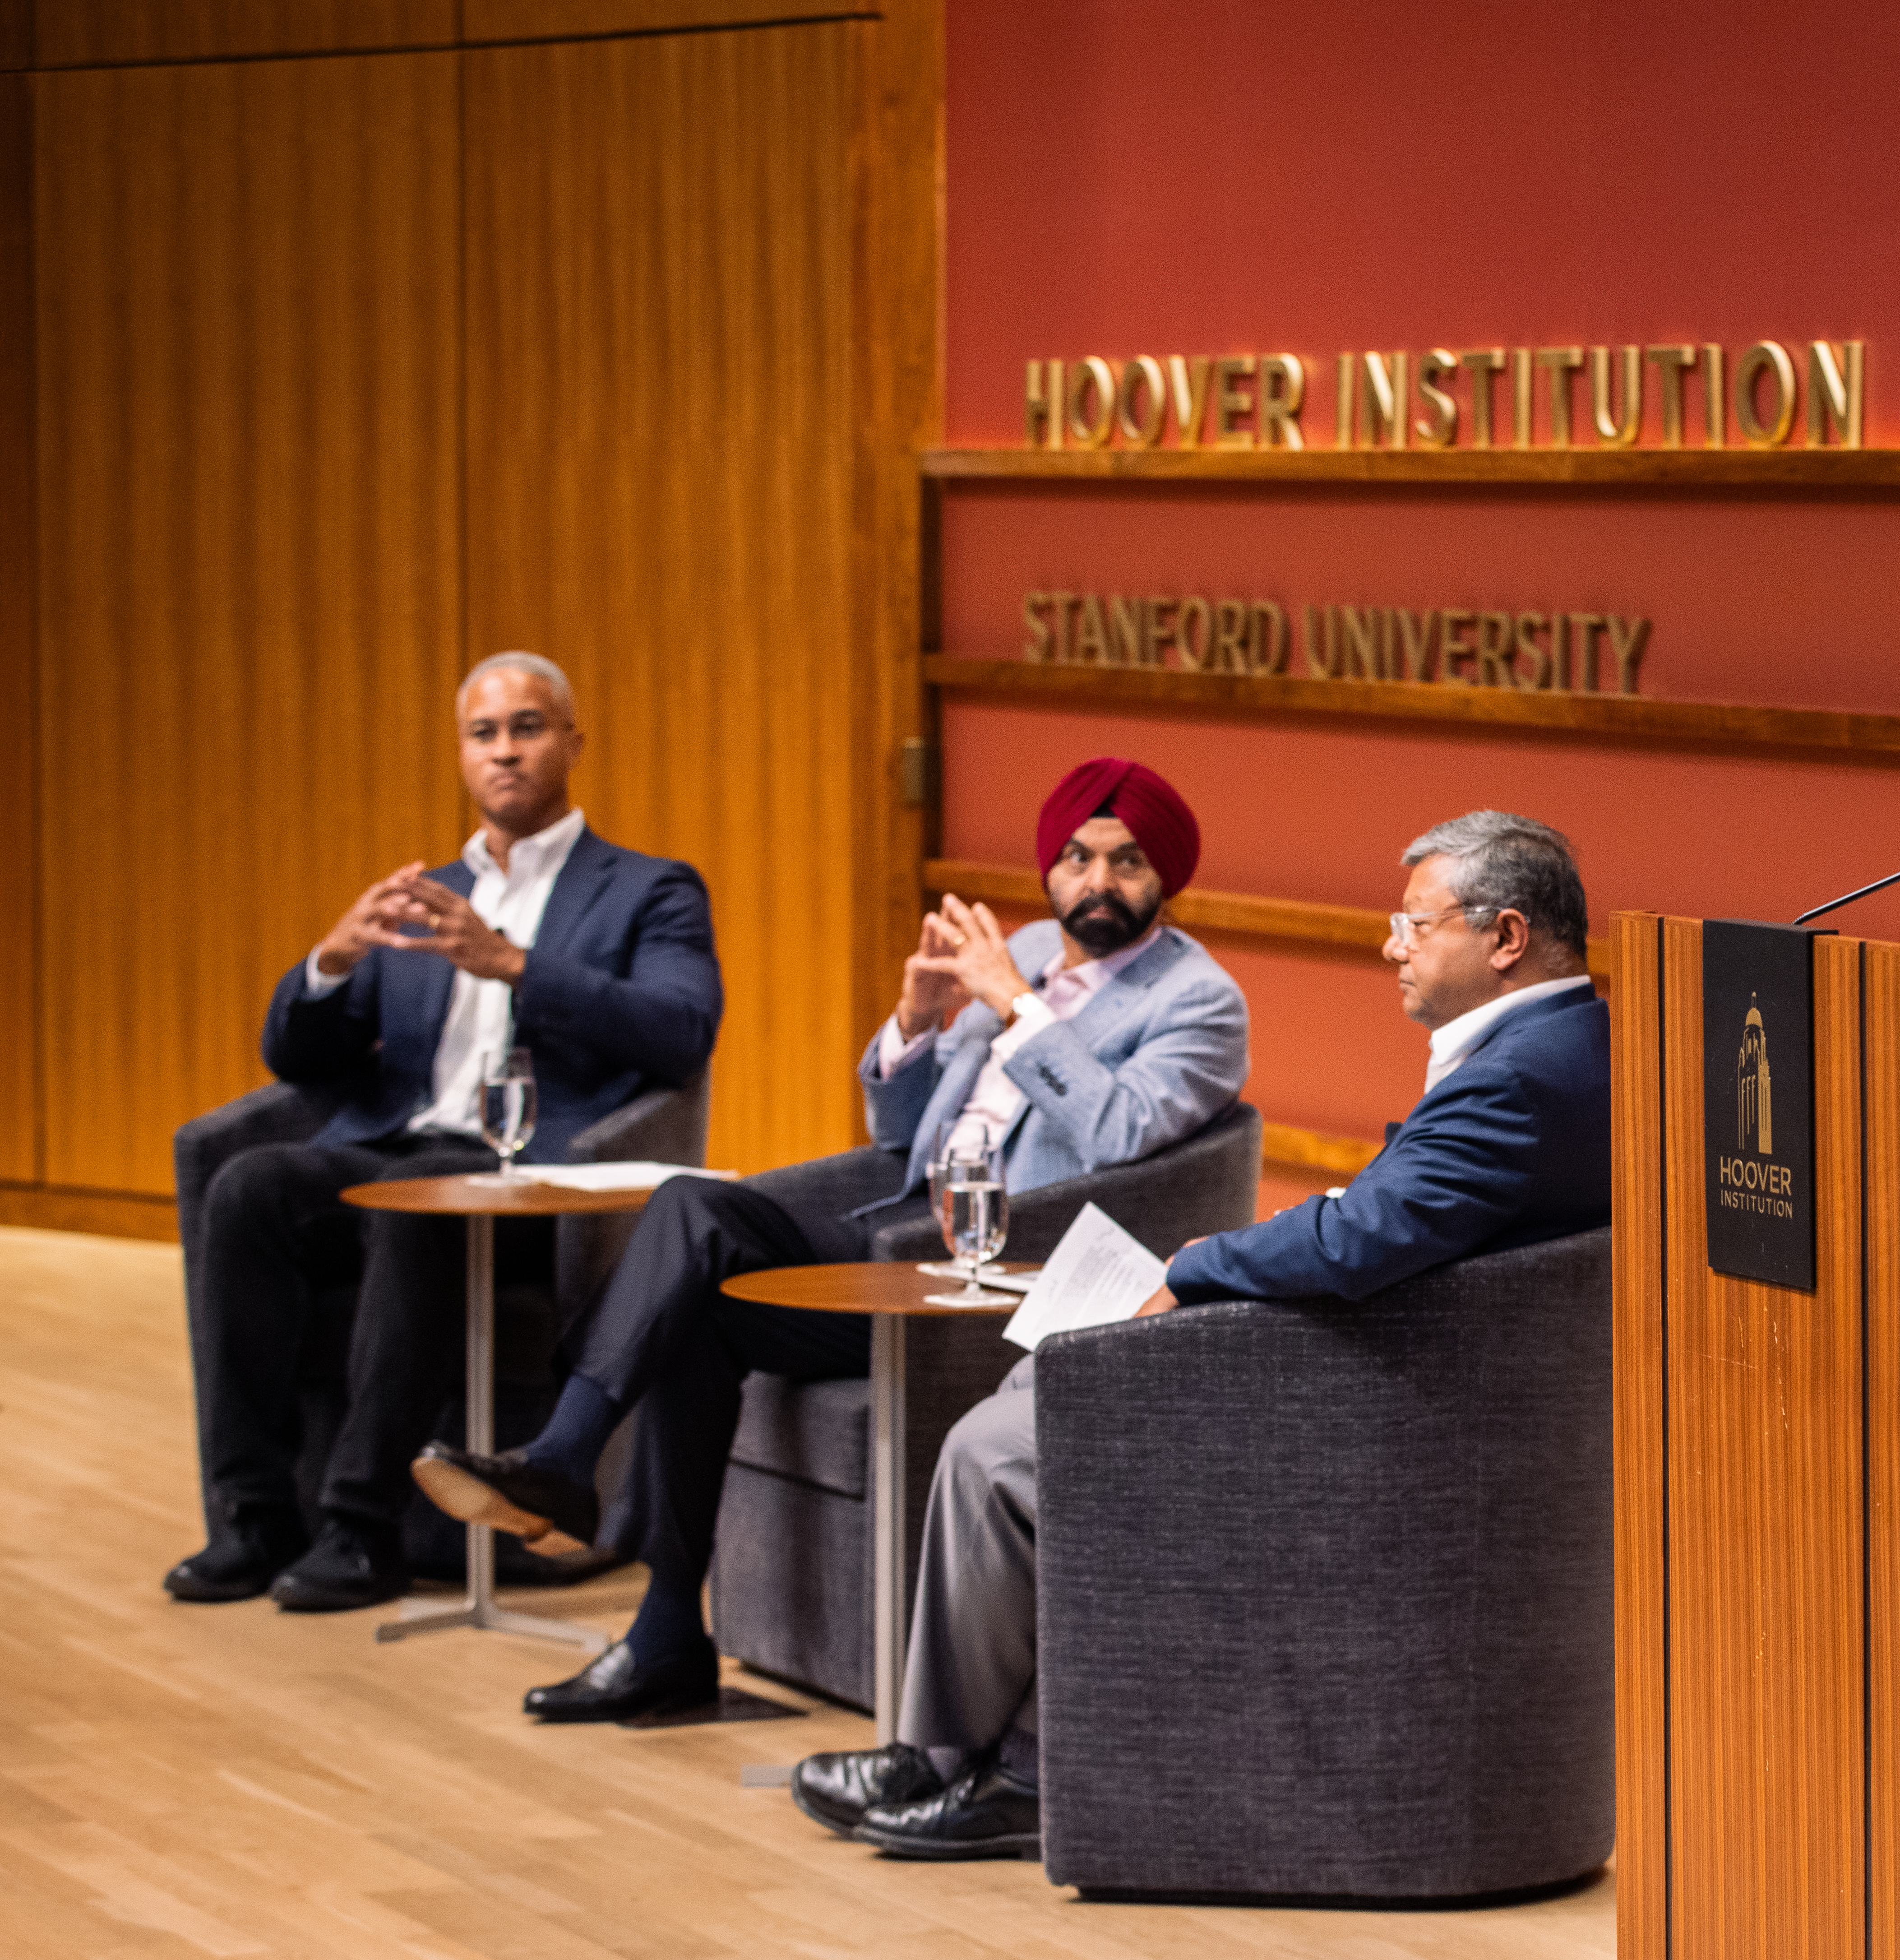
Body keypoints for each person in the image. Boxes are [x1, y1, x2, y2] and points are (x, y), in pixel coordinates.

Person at [785, 809, 1608, 1859]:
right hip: (1398, 1371)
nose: (1389, 946)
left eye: (1413, 925)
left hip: (1387, 1420)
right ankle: (967, 1758)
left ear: (1503, 938)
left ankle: (983, 1770)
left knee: (998, 1452)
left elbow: (1363, 1240)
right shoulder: (1562, 1044)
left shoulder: (1523, 1079)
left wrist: (1194, 1266)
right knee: (1035, 1385)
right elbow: (1391, 1220)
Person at [413, 758, 1249, 1725]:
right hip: (907, 1224)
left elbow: (1120, 1135)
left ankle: (608, 1541)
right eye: (1076, 858)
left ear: (1168, 874)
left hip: (1011, 1277)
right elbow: (900, 1132)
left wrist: (1014, 1007)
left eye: (1127, 861)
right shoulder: (1019, 948)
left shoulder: (1198, 1001)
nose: (1097, 882)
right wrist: (915, 1022)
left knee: (696, 1305)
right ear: (1048, 868)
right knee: (691, 1219)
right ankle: (646, 1601)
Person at [169, 653, 722, 1613]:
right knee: (251, 1185)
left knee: (424, 1196)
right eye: (484, 734)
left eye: (528, 727)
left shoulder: (650, 890)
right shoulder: (422, 890)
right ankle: (253, 1518)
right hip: (391, 1147)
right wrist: (331, 966)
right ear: (463, 754)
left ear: (573, 743)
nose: (505, 751)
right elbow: (300, 1061)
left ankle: (361, 1526)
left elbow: (680, 1031)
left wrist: (515, 964)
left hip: (535, 1177)